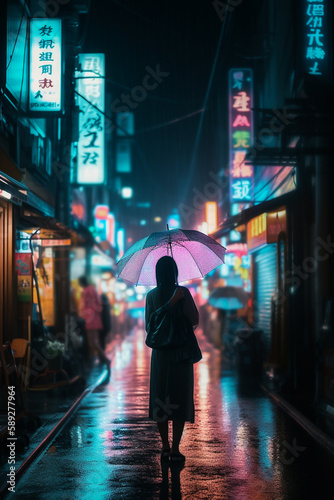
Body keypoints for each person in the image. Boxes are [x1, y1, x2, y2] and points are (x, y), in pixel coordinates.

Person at [145, 256, 199, 463]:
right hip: (181, 353)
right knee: (179, 397)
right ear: (175, 272)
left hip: (160, 355)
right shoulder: (183, 292)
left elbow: (149, 328)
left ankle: (165, 447)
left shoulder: (150, 296)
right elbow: (194, 320)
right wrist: (176, 302)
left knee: (161, 397)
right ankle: (176, 448)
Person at [78, 276, 111, 369]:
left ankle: (104, 360)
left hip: (89, 320)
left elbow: (84, 306)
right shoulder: (94, 290)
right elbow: (99, 305)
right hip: (96, 319)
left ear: (82, 283)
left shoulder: (86, 292)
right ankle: (92, 361)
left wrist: (82, 315)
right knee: (93, 342)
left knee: (92, 342)